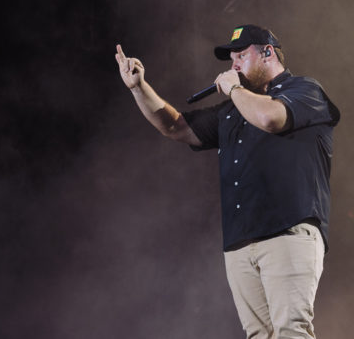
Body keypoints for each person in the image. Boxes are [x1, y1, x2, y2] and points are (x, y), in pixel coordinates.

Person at [115, 24, 340, 338]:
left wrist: (234, 89)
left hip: (287, 231)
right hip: (240, 242)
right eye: (231, 59)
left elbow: (271, 118)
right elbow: (175, 127)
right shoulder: (233, 110)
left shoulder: (303, 90)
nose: (233, 65)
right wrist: (139, 87)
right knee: (259, 334)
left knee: (291, 330)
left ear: (268, 53)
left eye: (241, 56)